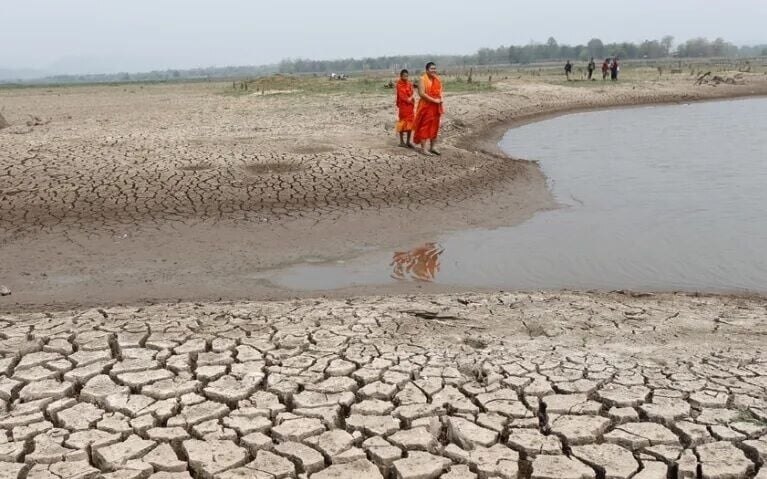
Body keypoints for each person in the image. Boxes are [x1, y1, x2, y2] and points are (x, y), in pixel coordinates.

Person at [412, 62, 444, 155]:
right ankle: (423, 149)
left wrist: (441, 98)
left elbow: (440, 91)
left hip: (436, 107)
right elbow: (422, 94)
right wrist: (434, 100)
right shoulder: (422, 79)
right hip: (426, 106)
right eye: (431, 69)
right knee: (425, 127)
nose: (434, 70)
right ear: (426, 70)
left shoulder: (437, 79)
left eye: (434, 68)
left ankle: (432, 147)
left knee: (435, 127)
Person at [395, 69, 415, 147]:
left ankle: (408, 141)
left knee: (410, 124)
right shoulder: (399, 84)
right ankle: (401, 142)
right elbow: (402, 96)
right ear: (401, 76)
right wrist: (408, 99)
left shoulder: (409, 84)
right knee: (402, 123)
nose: (406, 77)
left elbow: (412, 92)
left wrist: (411, 98)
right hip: (403, 107)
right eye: (404, 76)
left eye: (407, 76)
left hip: (410, 107)